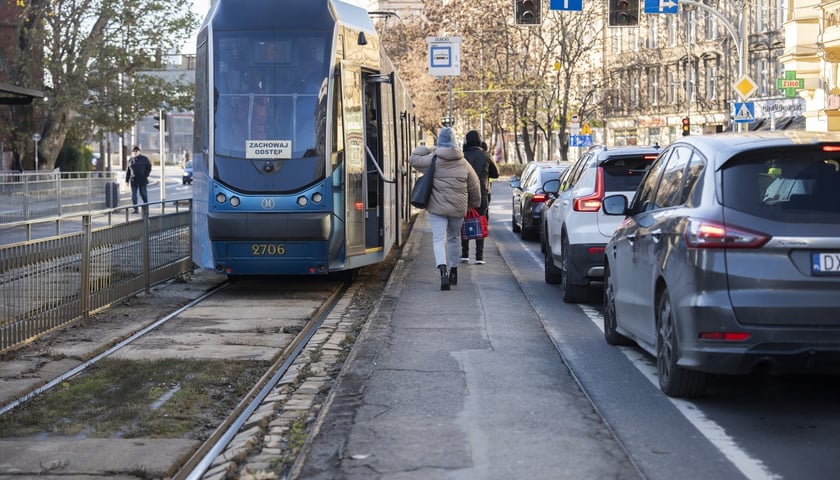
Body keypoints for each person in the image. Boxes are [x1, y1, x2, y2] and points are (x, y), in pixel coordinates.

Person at [409, 127, 481, 291]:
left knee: (438, 239)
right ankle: (454, 270)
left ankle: (443, 272)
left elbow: (413, 158)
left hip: (437, 208)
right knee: (454, 238)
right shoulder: (464, 162)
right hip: (458, 208)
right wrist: (473, 205)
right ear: (455, 142)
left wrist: (429, 148)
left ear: (439, 142)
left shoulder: (433, 159)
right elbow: (474, 186)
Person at [460, 131, 499, 264]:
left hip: (465, 195)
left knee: (464, 222)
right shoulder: (485, 155)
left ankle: (464, 254)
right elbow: (496, 174)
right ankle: (479, 257)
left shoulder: (462, 156)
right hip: (482, 194)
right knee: (480, 222)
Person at [126, 146, 152, 213]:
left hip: (142, 180)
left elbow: (149, 167)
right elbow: (128, 171)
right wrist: (127, 180)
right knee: (133, 195)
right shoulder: (131, 160)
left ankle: (146, 206)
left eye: (136, 151)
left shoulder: (144, 159)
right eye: (134, 151)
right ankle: (135, 209)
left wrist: (146, 175)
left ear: (139, 152)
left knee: (143, 193)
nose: (135, 152)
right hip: (133, 180)